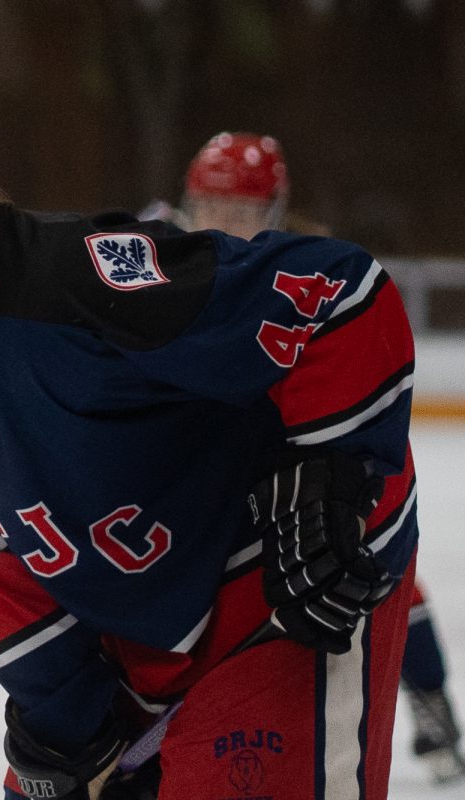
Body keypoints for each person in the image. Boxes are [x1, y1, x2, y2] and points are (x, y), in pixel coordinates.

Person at [0, 70, 420, 799]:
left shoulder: (76, 284)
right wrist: (65, 711)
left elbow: (341, 295)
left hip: (273, 578)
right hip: (138, 627)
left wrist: (329, 484)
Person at [178, 131, 464, 786]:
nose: (226, 224)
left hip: (320, 453)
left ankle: (431, 699)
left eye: (243, 211)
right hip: (232, 458)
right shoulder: (168, 260)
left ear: (274, 210)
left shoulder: (321, 272)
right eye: (213, 205)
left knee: (373, 563)